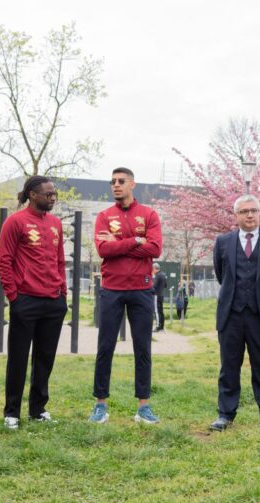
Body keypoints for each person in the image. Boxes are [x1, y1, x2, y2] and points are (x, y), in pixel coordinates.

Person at [209, 195, 260, 432]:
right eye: (244, 211)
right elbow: (222, 274)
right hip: (231, 314)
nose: (250, 215)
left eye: (254, 210)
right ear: (236, 215)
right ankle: (225, 414)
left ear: (259, 213)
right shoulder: (223, 242)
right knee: (229, 366)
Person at [89, 167, 163, 424]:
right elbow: (104, 250)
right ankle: (100, 405)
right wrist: (137, 241)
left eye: (121, 181)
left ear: (132, 184)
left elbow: (155, 248)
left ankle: (144, 406)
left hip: (142, 290)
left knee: (143, 348)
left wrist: (119, 241)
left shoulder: (149, 214)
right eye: (113, 181)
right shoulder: (104, 216)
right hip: (112, 289)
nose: (116, 185)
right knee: (105, 347)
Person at [0, 176, 68, 429]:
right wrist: (14, 296)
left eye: (54, 194)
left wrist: (62, 292)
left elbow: (60, 260)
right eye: (48, 194)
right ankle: (12, 413)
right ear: (32, 195)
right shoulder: (15, 222)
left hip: (53, 301)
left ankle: (38, 409)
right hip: (25, 300)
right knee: (18, 358)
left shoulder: (56, 223)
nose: (53, 198)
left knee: (45, 358)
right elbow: (4, 261)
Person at [152, 263, 167, 332]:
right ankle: (162, 327)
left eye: (153, 269)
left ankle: (158, 326)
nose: (152, 270)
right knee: (161, 311)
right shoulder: (163, 275)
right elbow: (165, 285)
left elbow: (154, 286)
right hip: (161, 295)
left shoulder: (157, 276)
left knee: (157, 311)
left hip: (156, 295)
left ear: (155, 268)